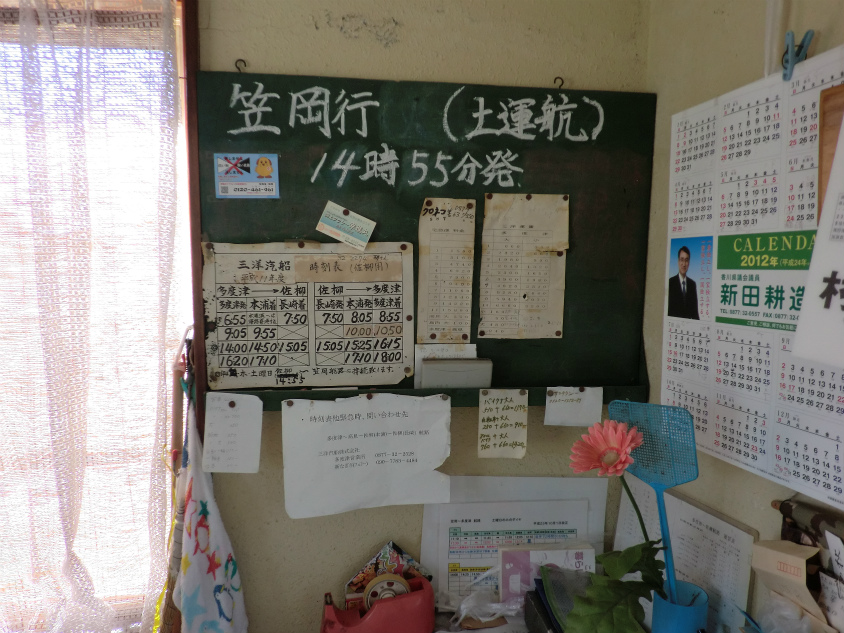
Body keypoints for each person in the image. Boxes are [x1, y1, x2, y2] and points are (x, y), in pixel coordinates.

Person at [667, 246, 699, 319]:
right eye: (682, 260)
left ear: (689, 263)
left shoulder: (692, 284)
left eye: (686, 260)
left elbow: (695, 313)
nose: (684, 264)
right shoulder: (670, 283)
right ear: (678, 261)